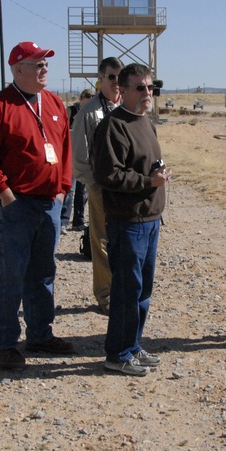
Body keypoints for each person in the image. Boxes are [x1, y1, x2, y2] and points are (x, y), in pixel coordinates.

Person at [0, 41, 73, 370]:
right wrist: (4, 194)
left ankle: (41, 334)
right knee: (11, 274)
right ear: (17, 69)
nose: (44, 69)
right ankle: (4, 344)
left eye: (45, 63)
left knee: (43, 273)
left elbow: (65, 149)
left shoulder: (54, 102)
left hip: (49, 203)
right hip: (15, 205)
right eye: (37, 63)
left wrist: (63, 189)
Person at [91, 63, 171, 376]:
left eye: (151, 87)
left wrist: (159, 175)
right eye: (140, 87)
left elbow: (147, 165)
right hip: (128, 222)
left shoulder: (145, 122)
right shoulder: (114, 126)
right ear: (122, 90)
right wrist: (148, 183)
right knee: (126, 290)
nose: (147, 93)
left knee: (142, 289)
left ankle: (133, 345)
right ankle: (118, 353)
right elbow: (108, 174)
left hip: (150, 220)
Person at [70, 57, 123, 314]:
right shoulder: (89, 112)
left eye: (119, 77)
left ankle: (124, 290)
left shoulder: (128, 108)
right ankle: (106, 296)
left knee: (124, 241)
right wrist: (94, 185)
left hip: (127, 190)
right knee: (102, 242)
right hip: (102, 189)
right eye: (111, 77)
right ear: (101, 78)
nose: (115, 82)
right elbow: (79, 159)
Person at [61, 88, 93, 231]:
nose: (88, 100)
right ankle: (63, 221)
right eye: (86, 97)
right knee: (70, 190)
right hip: (70, 157)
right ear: (81, 98)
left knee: (82, 191)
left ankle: (78, 221)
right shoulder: (71, 111)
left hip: (84, 157)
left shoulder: (90, 113)